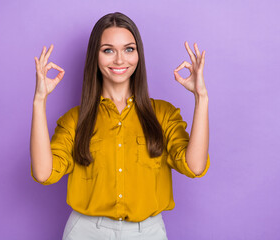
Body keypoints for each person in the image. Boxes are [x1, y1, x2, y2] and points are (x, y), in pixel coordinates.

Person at [30, 12, 210, 240]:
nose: (119, 60)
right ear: (95, 56)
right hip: (86, 232)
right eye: (108, 50)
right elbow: (44, 173)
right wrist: (39, 100)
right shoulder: (75, 120)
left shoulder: (164, 114)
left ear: (138, 54)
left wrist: (201, 97)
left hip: (147, 233)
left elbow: (194, 166)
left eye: (128, 49)